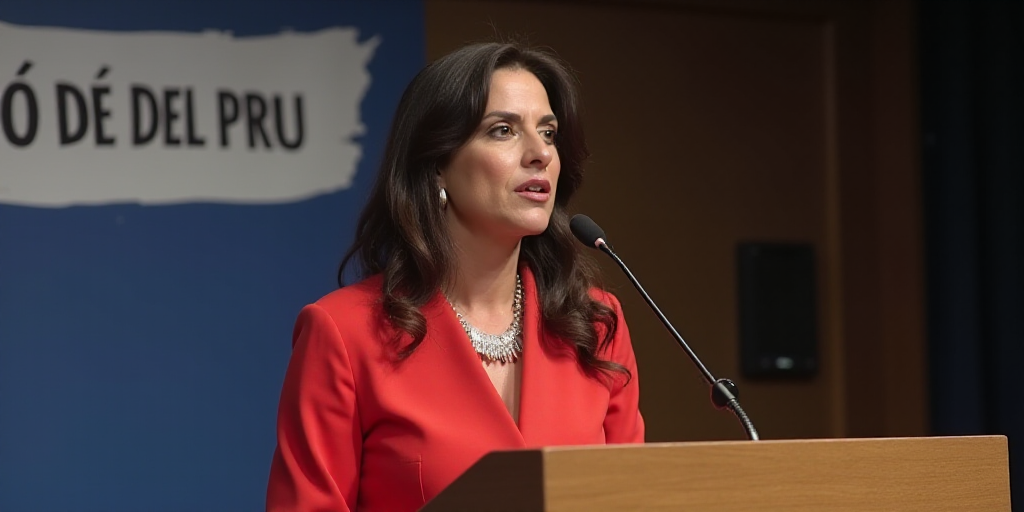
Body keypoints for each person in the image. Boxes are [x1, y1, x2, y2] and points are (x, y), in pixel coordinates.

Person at [266, 41, 644, 512]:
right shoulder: (345, 333)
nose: (539, 154)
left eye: (548, 133)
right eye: (504, 130)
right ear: (438, 164)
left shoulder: (595, 323)